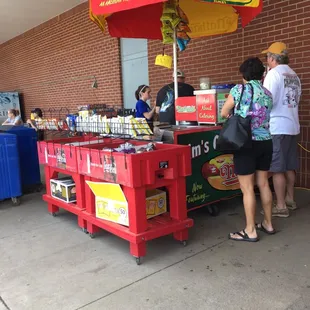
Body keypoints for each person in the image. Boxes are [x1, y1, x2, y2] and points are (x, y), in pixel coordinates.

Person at [221, 57, 275, 242]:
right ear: (261, 74)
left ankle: (250, 230)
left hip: (245, 143)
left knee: (247, 189)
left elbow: (223, 112)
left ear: (244, 74)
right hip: (266, 141)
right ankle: (268, 223)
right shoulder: (267, 93)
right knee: (264, 184)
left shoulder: (238, 90)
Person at [262, 42, 301, 218]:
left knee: (277, 167)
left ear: (272, 58)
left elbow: (266, 101)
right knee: (290, 165)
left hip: (277, 126)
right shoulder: (294, 75)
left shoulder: (273, 74)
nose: (267, 60)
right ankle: (290, 199)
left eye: (267, 57)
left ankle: (280, 206)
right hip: (293, 125)